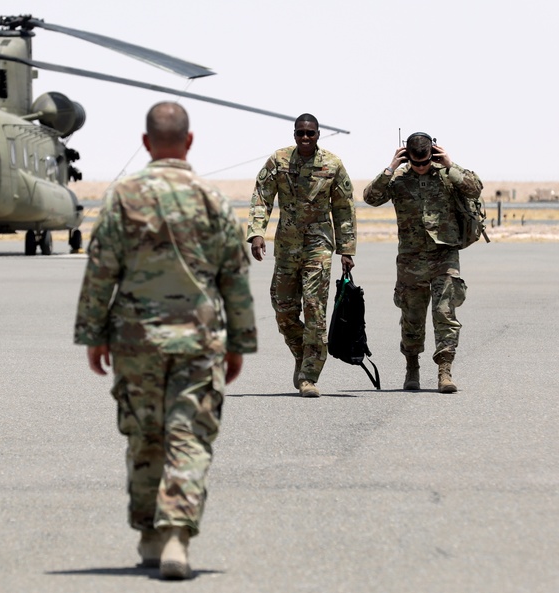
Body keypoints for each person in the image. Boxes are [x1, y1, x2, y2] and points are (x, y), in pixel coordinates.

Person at [74, 102, 256, 580]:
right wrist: (239, 341)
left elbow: (100, 269)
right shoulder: (212, 198)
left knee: (144, 434)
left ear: (146, 142)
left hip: (136, 340)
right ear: (189, 142)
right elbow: (235, 276)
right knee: (188, 436)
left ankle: (149, 536)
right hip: (198, 340)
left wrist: (93, 334)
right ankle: (177, 533)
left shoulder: (123, 196)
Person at [362, 132, 482, 393]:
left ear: (433, 154)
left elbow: (475, 188)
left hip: (444, 254)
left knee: (444, 313)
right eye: (415, 162)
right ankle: (412, 366)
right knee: (412, 317)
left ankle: (445, 371)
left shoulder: (447, 174)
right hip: (411, 258)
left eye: (425, 161)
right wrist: (391, 167)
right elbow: (370, 198)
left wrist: (450, 163)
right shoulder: (398, 179)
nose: (420, 167)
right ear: (407, 156)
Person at [247, 114, 356, 397]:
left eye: (310, 133)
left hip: (318, 245)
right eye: (300, 133)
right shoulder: (280, 160)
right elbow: (262, 195)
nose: (305, 138)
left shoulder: (333, 164)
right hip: (286, 245)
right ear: (294, 134)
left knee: (314, 307)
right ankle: (301, 351)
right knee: (283, 308)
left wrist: (347, 248)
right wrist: (257, 232)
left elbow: (344, 208)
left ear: (318, 134)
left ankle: (309, 375)